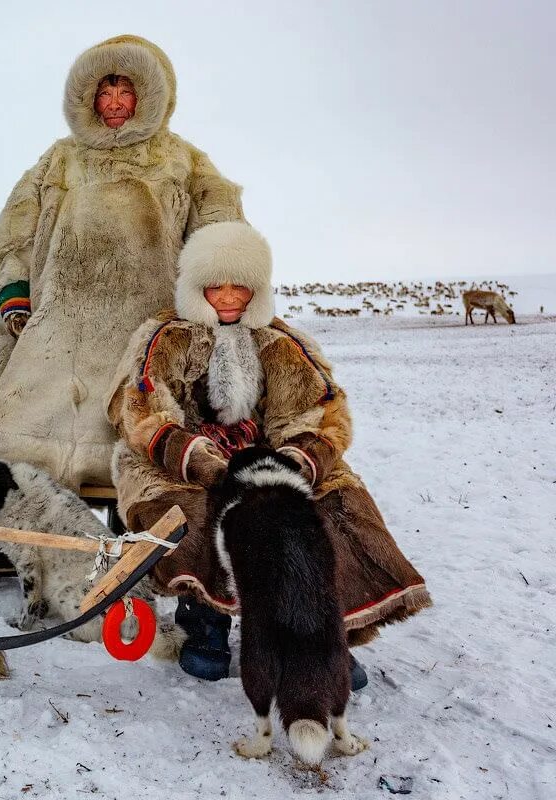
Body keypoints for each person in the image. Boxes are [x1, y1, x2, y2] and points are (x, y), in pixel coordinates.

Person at [107, 221, 431, 684]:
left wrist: (294, 460)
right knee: (195, 513)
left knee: (334, 506)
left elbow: (317, 409)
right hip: (181, 460)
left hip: (264, 456)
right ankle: (205, 626)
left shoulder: (278, 341)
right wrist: (197, 457)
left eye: (240, 285)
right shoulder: (165, 336)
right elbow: (142, 407)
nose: (228, 297)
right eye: (215, 286)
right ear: (196, 287)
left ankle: (323, 633)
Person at [0, 34, 246, 494]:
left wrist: (216, 292)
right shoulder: (61, 159)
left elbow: (220, 233)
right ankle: (8, 518)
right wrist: (14, 291)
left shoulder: (183, 160)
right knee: (19, 427)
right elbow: (16, 230)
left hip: (146, 325)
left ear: (149, 96)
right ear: (88, 97)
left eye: (126, 91)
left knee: (141, 434)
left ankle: (138, 526)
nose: (115, 102)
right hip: (61, 322)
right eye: (105, 91)